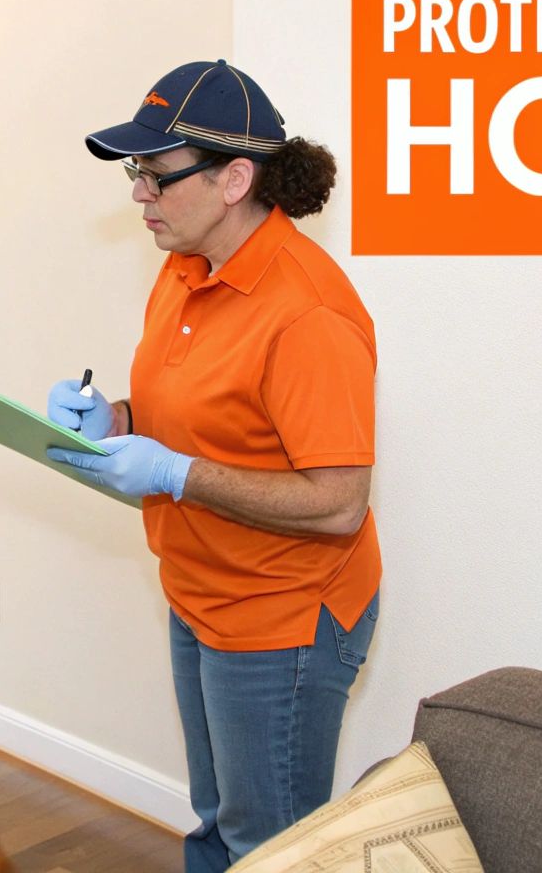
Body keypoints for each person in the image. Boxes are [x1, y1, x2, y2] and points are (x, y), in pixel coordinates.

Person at [46, 60, 382, 871]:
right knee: (216, 824)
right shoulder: (184, 268)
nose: (138, 195)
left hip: (284, 618)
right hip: (199, 591)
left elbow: (339, 502)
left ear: (235, 178)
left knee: (271, 849)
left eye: (156, 176)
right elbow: (202, 416)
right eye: (137, 172)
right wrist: (115, 421)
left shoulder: (307, 312)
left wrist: (172, 475)